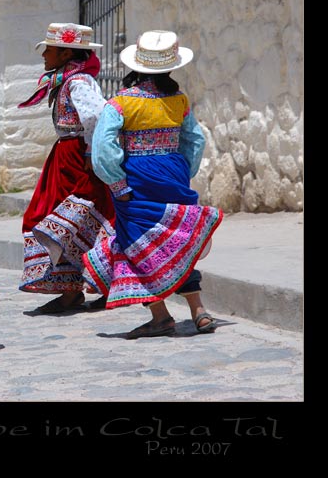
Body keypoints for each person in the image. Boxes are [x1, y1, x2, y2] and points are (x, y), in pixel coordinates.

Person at [82, 30, 223, 338]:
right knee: (176, 239)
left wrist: (117, 182)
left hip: (136, 178)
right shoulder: (179, 101)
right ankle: (198, 311)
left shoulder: (120, 103)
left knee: (137, 247)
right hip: (172, 173)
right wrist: (181, 170)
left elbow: (105, 147)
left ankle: (160, 316)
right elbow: (195, 141)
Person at [17, 23, 115, 313]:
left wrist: (89, 152)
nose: (44, 55)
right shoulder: (66, 79)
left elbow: (96, 116)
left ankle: (105, 281)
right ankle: (71, 289)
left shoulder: (78, 82)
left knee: (76, 221)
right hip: (64, 157)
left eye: (49, 49)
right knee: (58, 221)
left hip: (75, 158)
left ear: (65, 53)